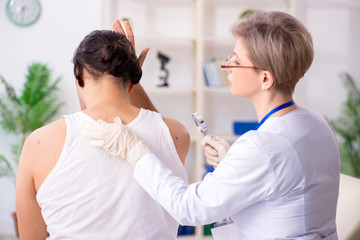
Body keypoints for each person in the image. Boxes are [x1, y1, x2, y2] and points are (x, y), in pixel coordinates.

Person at [83, 11, 341, 239]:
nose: (225, 65)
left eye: (237, 61)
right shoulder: (316, 123)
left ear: (265, 78)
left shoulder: (261, 148)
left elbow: (188, 209)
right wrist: (234, 167)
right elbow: (286, 186)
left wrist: (135, 152)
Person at [15, 20, 190, 240]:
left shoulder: (39, 143)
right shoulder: (177, 135)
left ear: (78, 75)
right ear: (133, 81)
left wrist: (130, 75)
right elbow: (155, 125)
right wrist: (131, 75)